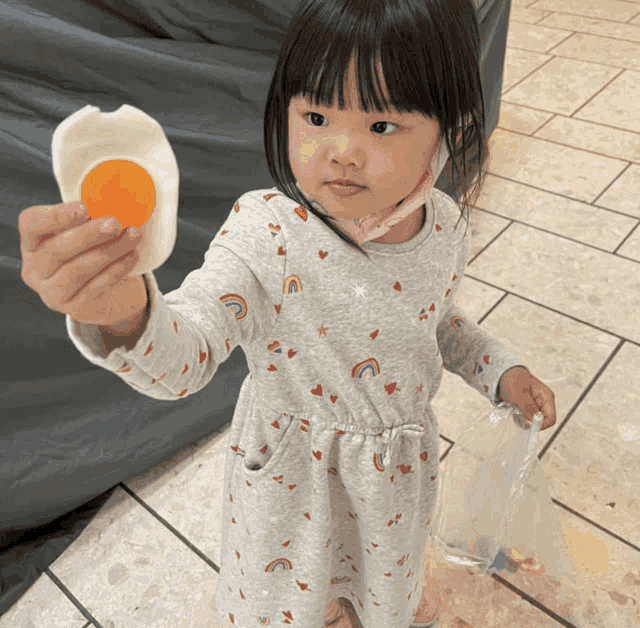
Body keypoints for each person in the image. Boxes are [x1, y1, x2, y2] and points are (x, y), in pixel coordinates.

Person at [18, 1, 557, 627]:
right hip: (289, 487)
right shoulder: (266, 234)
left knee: (379, 595)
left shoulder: (442, 227)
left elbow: (434, 322)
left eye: (382, 125)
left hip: (394, 484)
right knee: (287, 607)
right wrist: (123, 315)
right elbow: (186, 355)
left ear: (446, 125)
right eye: (317, 114)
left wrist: (500, 370)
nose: (342, 151)